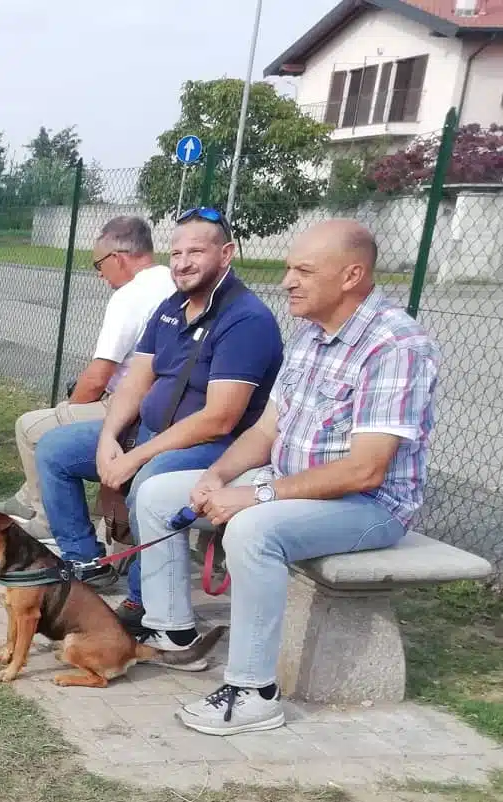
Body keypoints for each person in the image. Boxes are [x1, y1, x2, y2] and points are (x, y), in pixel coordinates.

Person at [135, 221, 438, 736]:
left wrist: (255, 495)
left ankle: (254, 693)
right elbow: (265, 430)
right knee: (160, 492)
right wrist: (216, 476)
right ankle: (173, 634)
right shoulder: (311, 335)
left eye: (304, 271)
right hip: (289, 479)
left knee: (254, 530)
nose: (287, 281)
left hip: (369, 505)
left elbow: (366, 469)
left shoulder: (395, 346)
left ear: (351, 276)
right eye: (289, 268)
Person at [34, 207, 284, 627]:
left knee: (148, 483)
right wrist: (109, 438)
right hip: (151, 432)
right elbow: (136, 380)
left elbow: (220, 419)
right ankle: (85, 561)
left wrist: (135, 457)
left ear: (226, 254)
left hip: (213, 447)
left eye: (196, 252)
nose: (182, 263)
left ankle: (143, 601)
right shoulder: (171, 307)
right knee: (55, 448)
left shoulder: (246, 320)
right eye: (177, 252)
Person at [0, 216, 174, 537]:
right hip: (166, 404)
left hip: (130, 406)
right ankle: (27, 498)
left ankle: (47, 519)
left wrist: (67, 411)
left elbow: (97, 378)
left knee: (30, 428)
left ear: (117, 258)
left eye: (98, 264)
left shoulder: (130, 295)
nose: (99, 274)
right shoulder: (171, 280)